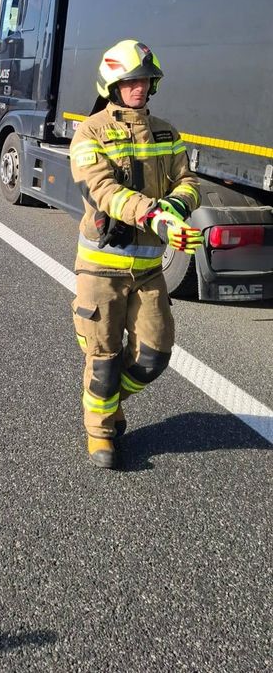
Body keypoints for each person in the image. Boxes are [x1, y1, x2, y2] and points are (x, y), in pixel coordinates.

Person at [69, 40, 203, 469]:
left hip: (147, 270)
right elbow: (103, 189)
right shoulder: (90, 133)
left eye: (145, 80)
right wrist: (156, 218)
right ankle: (100, 429)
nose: (139, 88)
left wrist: (174, 207)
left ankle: (106, 401)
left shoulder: (166, 132)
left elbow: (189, 182)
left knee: (154, 355)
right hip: (101, 268)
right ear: (112, 85)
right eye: (130, 81)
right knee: (104, 357)